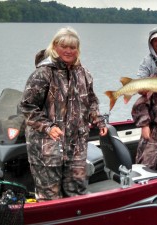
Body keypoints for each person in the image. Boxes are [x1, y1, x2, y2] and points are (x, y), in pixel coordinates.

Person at [19, 27, 107, 201]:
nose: (68, 51)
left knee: (77, 194)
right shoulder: (43, 74)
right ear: (54, 47)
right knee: (50, 199)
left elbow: (91, 102)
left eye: (73, 47)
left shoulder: (84, 74)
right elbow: (27, 106)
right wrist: (48, 127)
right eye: (63, 46)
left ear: (78, 50)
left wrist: (99, 120)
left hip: (76, 148)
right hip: (47, 149)